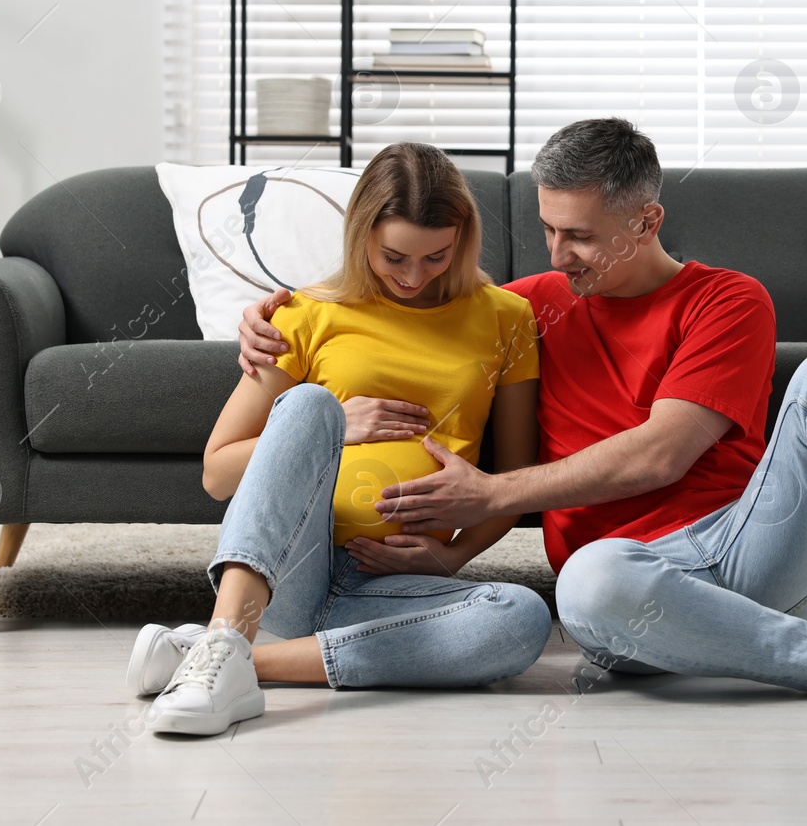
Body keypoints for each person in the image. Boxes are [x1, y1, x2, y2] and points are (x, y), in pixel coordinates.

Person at [240, 118, 807, 732]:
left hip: (745, 546)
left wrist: (489, 492)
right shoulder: (526, 308)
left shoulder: (729, 299)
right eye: (549, 229)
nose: (559, 253)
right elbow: (410, 308)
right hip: (624, 589)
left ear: (646, 221)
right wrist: (273, 313)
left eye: (581, 236)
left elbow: (664, 452)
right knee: (584, 580)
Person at [129, 142, 552, 736]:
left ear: (461, 240)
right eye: (394, 256)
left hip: (399, 585)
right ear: (361, 236)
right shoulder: (305, 314)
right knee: (307, 403)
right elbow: (218, 472)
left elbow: (512, 478)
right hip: (295, 571)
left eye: (435, 257)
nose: (412, 276)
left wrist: (454, 554)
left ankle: (218, 658)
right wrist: (339, 430)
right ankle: (226, 640)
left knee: (520, 618)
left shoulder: (507, 318)